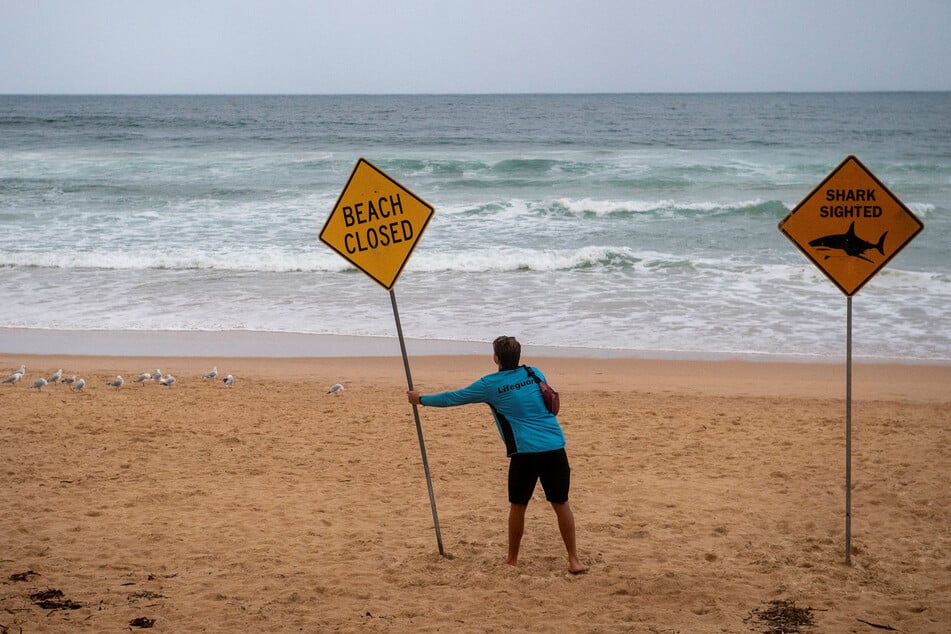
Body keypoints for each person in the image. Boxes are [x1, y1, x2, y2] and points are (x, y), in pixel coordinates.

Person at [407, 336, 588, 574]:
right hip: (555, 445)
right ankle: (574, 560)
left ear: (496, 358)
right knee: (561, 503)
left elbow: (454, 398)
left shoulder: (489, 385)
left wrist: (420, 400)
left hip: (525, 452)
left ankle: (512, 560)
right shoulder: (534, 373)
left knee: (518, 505)